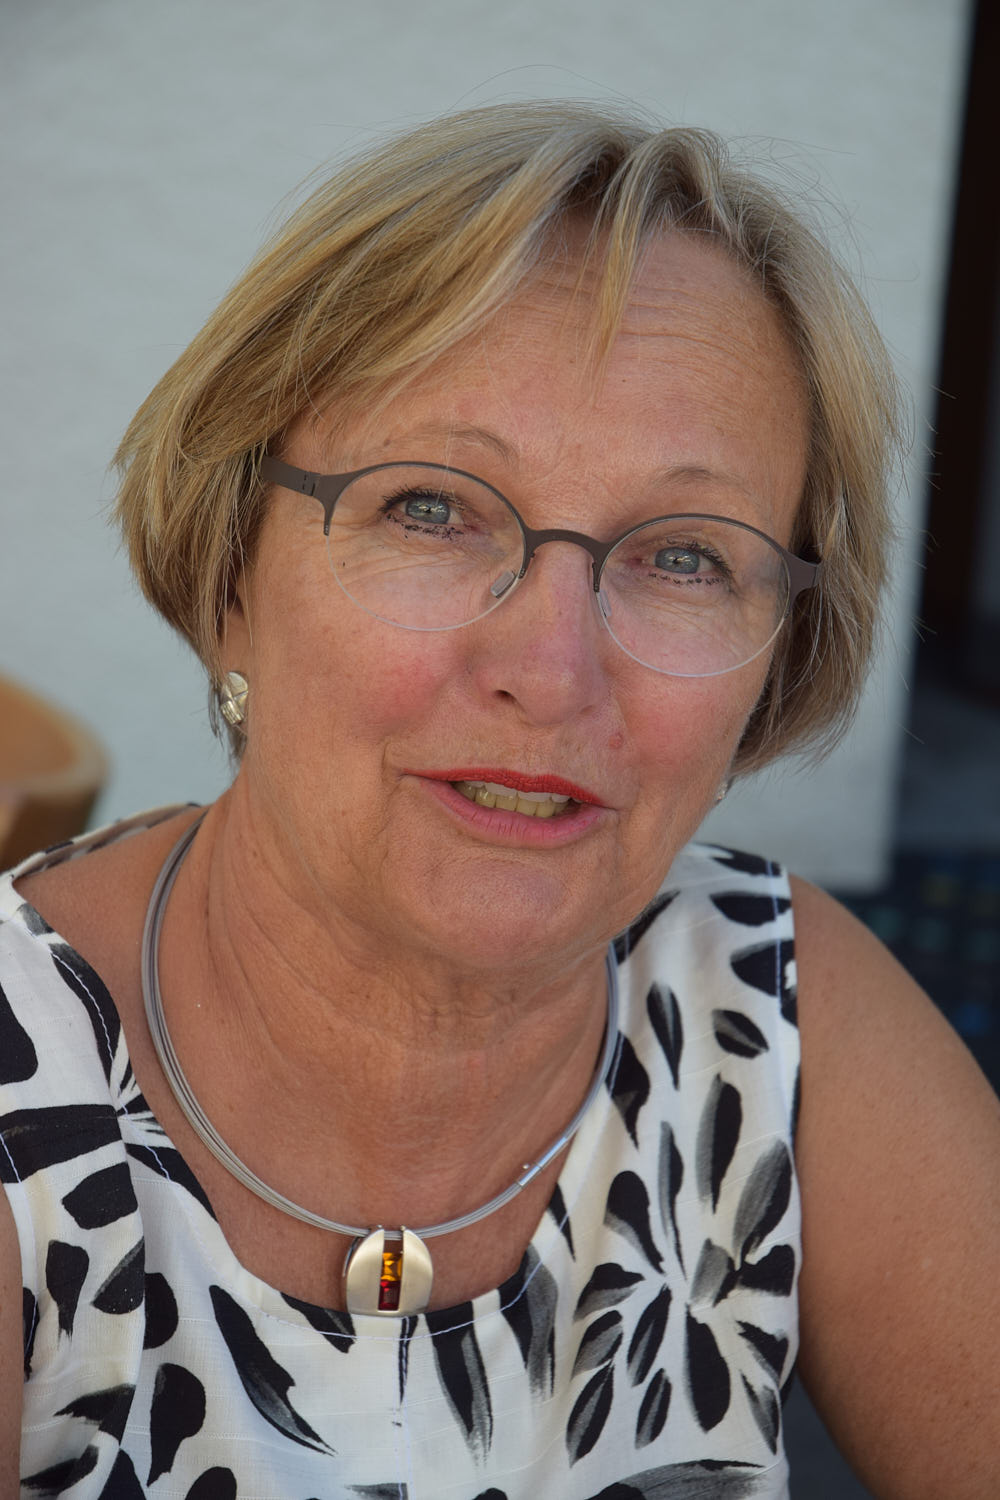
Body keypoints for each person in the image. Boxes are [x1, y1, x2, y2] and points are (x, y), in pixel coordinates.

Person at [1, 101, 997, 1499]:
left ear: (778, 661)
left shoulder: (775, 1014)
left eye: (684, 556)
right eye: (431, 508)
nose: (551, 669)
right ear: (232, 574)